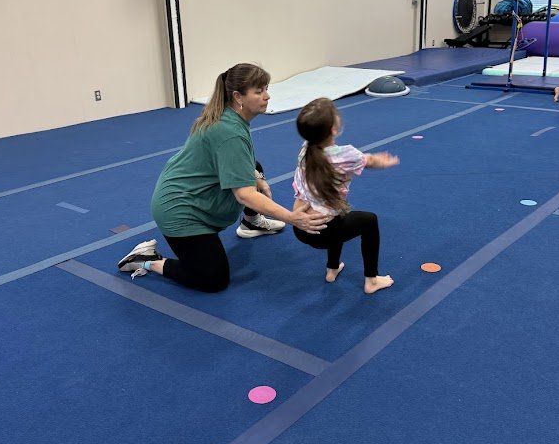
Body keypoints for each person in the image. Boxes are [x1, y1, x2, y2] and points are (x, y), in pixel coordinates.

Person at [117, 64, 328, 292]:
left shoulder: (230, 117)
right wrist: (292, 217)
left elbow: (239, 164)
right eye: (259, 91)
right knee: (212, 279)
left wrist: (256, 176)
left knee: (253, 168)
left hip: (190, 190)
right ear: (238, 97)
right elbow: (245, 195)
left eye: (266, 89)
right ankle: (145, 260)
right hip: (180, 210)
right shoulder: (229, 133)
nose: (267, 96)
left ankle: (250, 223)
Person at [291, 97, 399, 295]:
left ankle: (332, 269)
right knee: (369, 221)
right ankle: (372, 280)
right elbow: (370, 161)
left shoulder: (306, 149)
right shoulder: (346, 155)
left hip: (300, 226)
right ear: (334, 128)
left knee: (339, 212)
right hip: (325, 231)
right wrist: (382, 162)